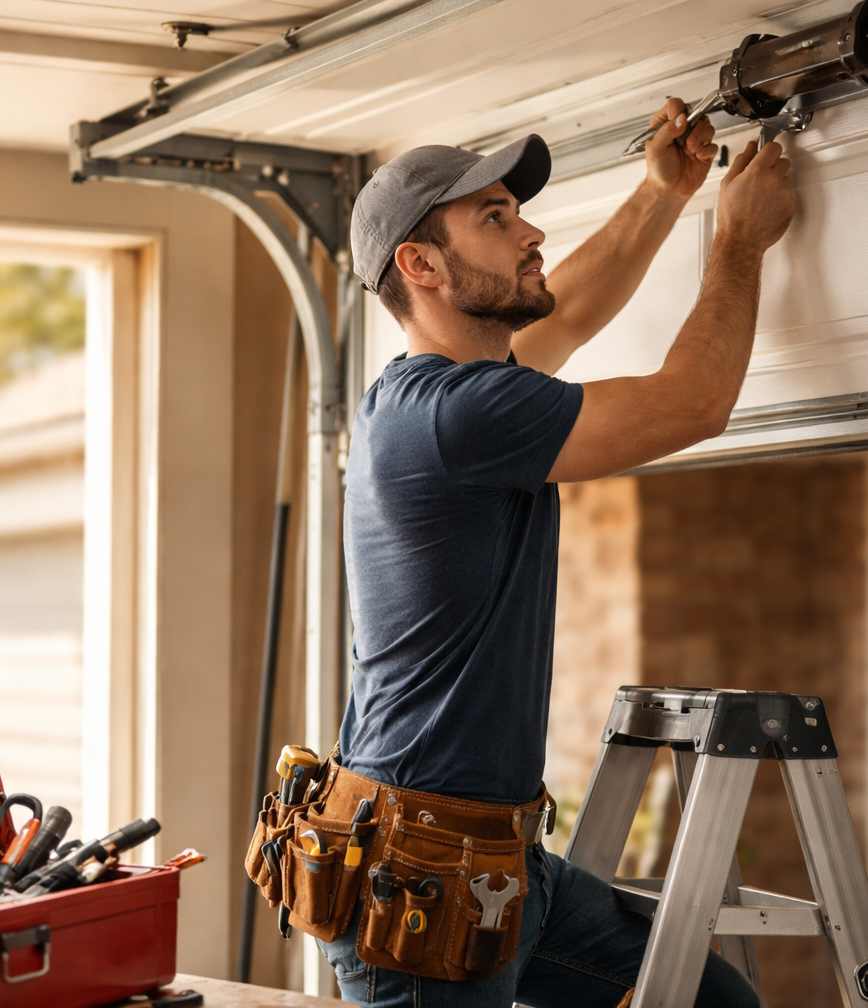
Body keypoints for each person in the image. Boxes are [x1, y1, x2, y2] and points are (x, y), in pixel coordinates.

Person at [322, 98, 797, 1007]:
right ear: (420, 265)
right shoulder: (456, 417)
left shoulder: (440, 395)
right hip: (422, 878)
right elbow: (692, 403)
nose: (529, 230)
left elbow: (567, 310)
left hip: (495, 860)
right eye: (494, 219)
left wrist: (663, 194)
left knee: (715, 999)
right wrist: (736, 242)